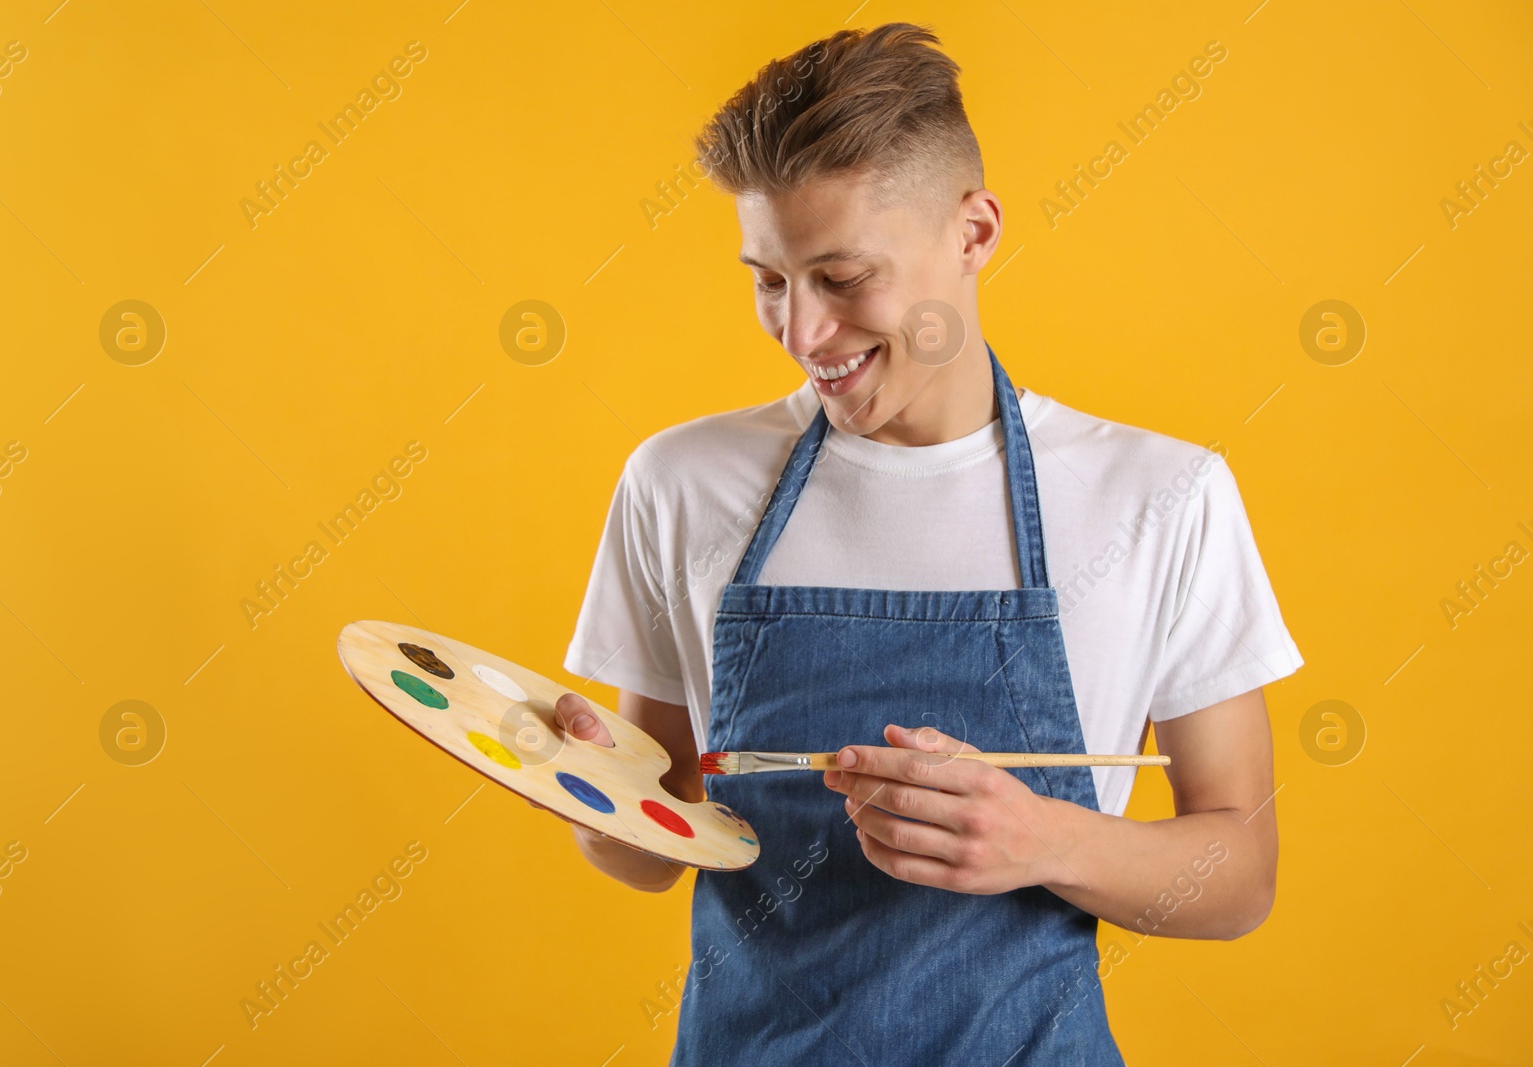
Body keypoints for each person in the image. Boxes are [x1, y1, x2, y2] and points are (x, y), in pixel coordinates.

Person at [552, 21, 1303, 1066]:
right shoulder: (681, 483)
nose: (803, 331)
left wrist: (1042, 838)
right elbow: (644, 851)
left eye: (843, 275)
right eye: (768, 279)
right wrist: (576, 782)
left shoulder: (1159, 494)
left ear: (975, 231)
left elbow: (1238, 876)